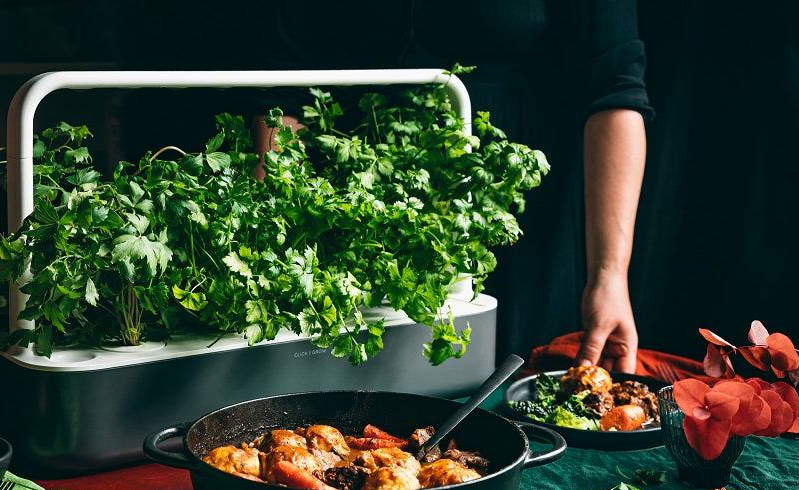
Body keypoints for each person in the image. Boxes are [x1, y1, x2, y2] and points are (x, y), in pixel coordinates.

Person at [245, 0, 654, 373]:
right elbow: (285, 91)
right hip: (352, 212)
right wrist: (275, 246)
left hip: (514, 224)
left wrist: (609, 275)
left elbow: (615, 86)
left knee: (514, 398)